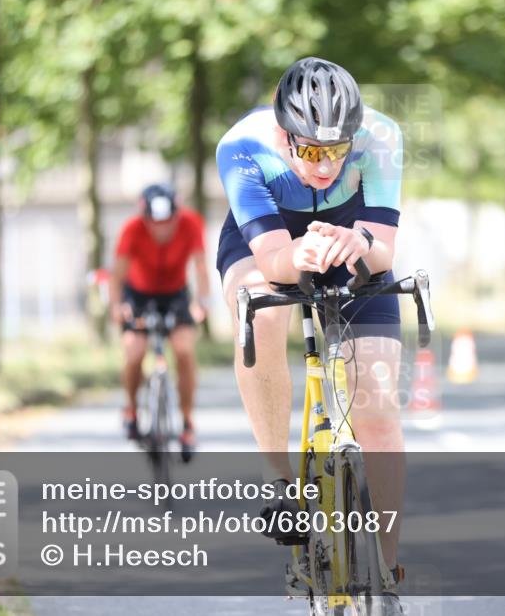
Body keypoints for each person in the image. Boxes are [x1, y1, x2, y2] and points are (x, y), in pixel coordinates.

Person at [215, 57, 405, 605]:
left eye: (337, 150)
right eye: (310, 150)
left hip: (351, 237)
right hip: (268, 240)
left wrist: (361, 247)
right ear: (282, 134)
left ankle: (387, 574)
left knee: (375, 407)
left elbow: (382, 247)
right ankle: (282, 480)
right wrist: (296, 255)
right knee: (263, 311)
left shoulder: (383, 137)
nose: (325, 167)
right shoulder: (242, 147)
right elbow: (272, 256)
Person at [108, 182, 210, 461]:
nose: (162, 229)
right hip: (138, 294)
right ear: (145, 218)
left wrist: (202, 303)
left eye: (169, 222)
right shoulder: (131, 229)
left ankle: (187, 423)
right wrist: (117, 307)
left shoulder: (191, 223)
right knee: (134, 349)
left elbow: (201, 268)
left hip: (175, 294)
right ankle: (130, 408)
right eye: (155, 223)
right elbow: (116, 276)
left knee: (184, 349)